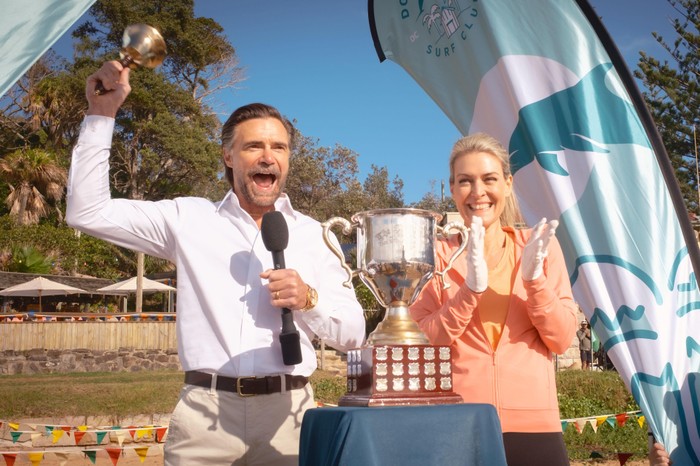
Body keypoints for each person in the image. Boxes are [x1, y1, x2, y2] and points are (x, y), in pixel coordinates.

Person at [66, 61, 366, 466]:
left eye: (278, 147)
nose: (267, 157)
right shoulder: (187, 219)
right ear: (228, 155)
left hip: (290, 416)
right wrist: (102, 114)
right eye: (253, 147)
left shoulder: (316, 234)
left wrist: (309, 298)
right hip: (204, 417)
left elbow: (354, 334)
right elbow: (87, 212)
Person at [410, 133, 578, 466]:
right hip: (456, 423)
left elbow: (561, 339)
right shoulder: (434, 256)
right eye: (465, 181)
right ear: (452, 188)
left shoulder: (539, 247)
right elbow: (422, 344)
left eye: (489, 179)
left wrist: (534, 280)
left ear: (508, 183)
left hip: (534, 426)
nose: (478, 193)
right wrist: (468, 291)